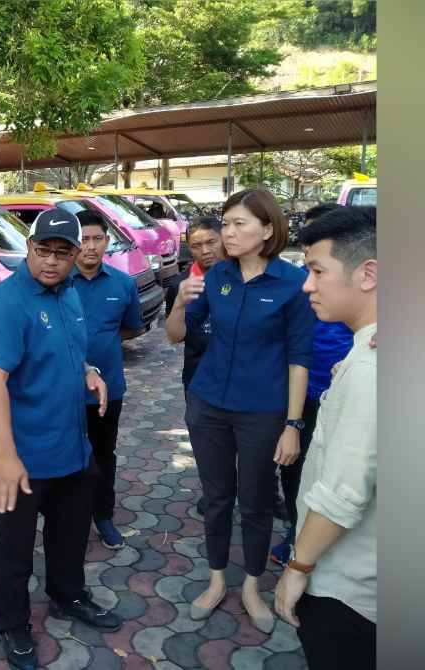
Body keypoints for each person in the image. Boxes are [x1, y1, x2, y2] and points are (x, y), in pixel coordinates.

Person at [0, 207, 121, 669]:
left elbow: (66, 352)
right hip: (22, 457)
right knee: (14, 549)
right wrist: (4, 458)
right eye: (43, 250)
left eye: (63, 252)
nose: (52, 261)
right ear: (30, 247)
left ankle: (68, 596)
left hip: (72, 447)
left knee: (71, 533)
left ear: (77, 253)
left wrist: (90, 373)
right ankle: (14, 627)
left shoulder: (70, 294)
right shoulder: (5, 303)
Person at [167, 188, 315, 634]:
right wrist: (178, 302)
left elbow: (299, 358)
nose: (226, 234)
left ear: (267, 229)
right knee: (216, 499)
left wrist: (292, 424)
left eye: (238, 225)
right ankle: (216, 581)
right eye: (225, 224)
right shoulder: (217, 278)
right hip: (208, 405)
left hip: (263, 413)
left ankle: (251, 585)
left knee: (254, 503)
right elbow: (176, 336)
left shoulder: (292, 283)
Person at [274, 206, 376, 669]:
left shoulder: (373, 367)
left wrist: (298, 568)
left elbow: (343, 492)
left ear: (368, 273)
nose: (307, 284)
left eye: (317, 270)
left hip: (349, 589)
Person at [270, 203, 354, 566]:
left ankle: (315, 547)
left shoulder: (357, 289)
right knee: (294, 467)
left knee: (336, 472)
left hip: (341, 394)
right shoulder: (300, 282)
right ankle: (295, 530)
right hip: (301, 393)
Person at [71, 215, 142, 550]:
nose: (90, 246)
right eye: (83, 239)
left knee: (103, 455)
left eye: (97, 238)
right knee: (67, 456)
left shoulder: (122, 284)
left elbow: (131, 328)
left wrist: (103, 346)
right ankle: (68, 518)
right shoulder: (58, 281)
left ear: (107, 241)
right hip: (63, 391)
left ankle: (103, 516)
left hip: (108, 390)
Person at [165, 215, 224, 517]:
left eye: (211, 242)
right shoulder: (180, 284)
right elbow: (174, 336)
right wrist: (180, 302)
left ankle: (260, 490)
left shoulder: (244, 278)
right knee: (205, 443)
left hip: (242, 378)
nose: (205, 250)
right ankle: (214, 493)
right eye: (197, 245)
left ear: (223, 238)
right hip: (198, 378)